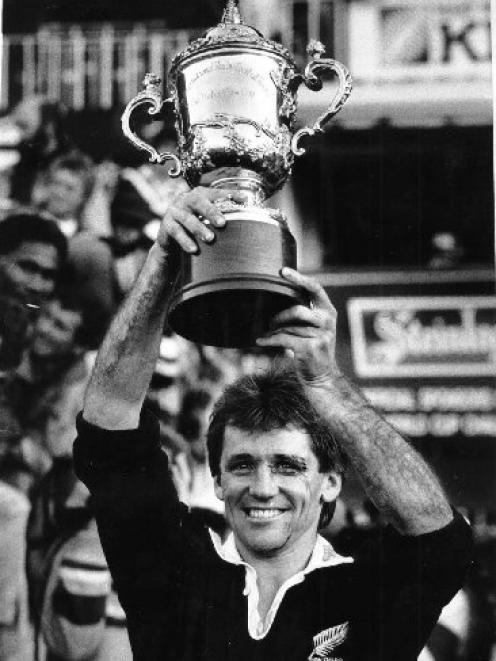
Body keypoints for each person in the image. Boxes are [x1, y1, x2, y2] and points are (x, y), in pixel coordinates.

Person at [73, 187, 473, 661]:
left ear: (330, 482)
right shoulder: (177, 571)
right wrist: (164, 262)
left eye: (287, 466)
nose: (263, 487)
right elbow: (109, 427)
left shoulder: (364, 590)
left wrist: (326, 383)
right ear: (216, 480)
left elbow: (440, 538)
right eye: (242, 465)